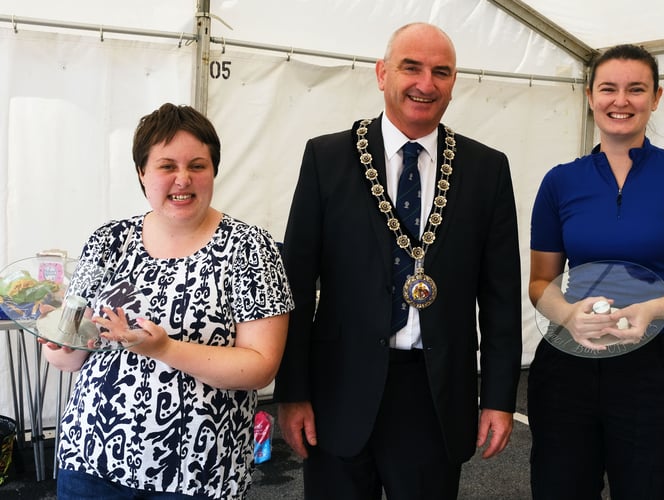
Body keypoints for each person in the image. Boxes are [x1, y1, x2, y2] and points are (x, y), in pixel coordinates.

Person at [273, 22, 522, 500]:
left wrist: (497, 399)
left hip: (432, 393)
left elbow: (500, 298)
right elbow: (297, 286)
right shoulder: (327, 158)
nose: (425, 84)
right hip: (338, 389)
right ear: (382, 73)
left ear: (453, 83)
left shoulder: (485, 169)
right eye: (411, 67)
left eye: (441, 72)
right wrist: (293, 391)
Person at [40, 103, 294, 500]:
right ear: (142, 172)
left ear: (213, 171)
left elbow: (260, 366)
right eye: (166, 166)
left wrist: (165, 349)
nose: (183, 179)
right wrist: (57, 341)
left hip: (198, 470)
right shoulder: (109, 240)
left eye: (197, 165)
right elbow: (75, 352)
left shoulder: (249, 248)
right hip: (92, 460)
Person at [527, 44, 664, 499]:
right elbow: (541, 283)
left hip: (656, 367)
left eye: (636, 89)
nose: (620, 101)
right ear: (590, 96)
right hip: (568, 365)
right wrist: (566, 315)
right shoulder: (561, 181)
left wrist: (655, 308)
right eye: (608, 88)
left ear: (657, 96)